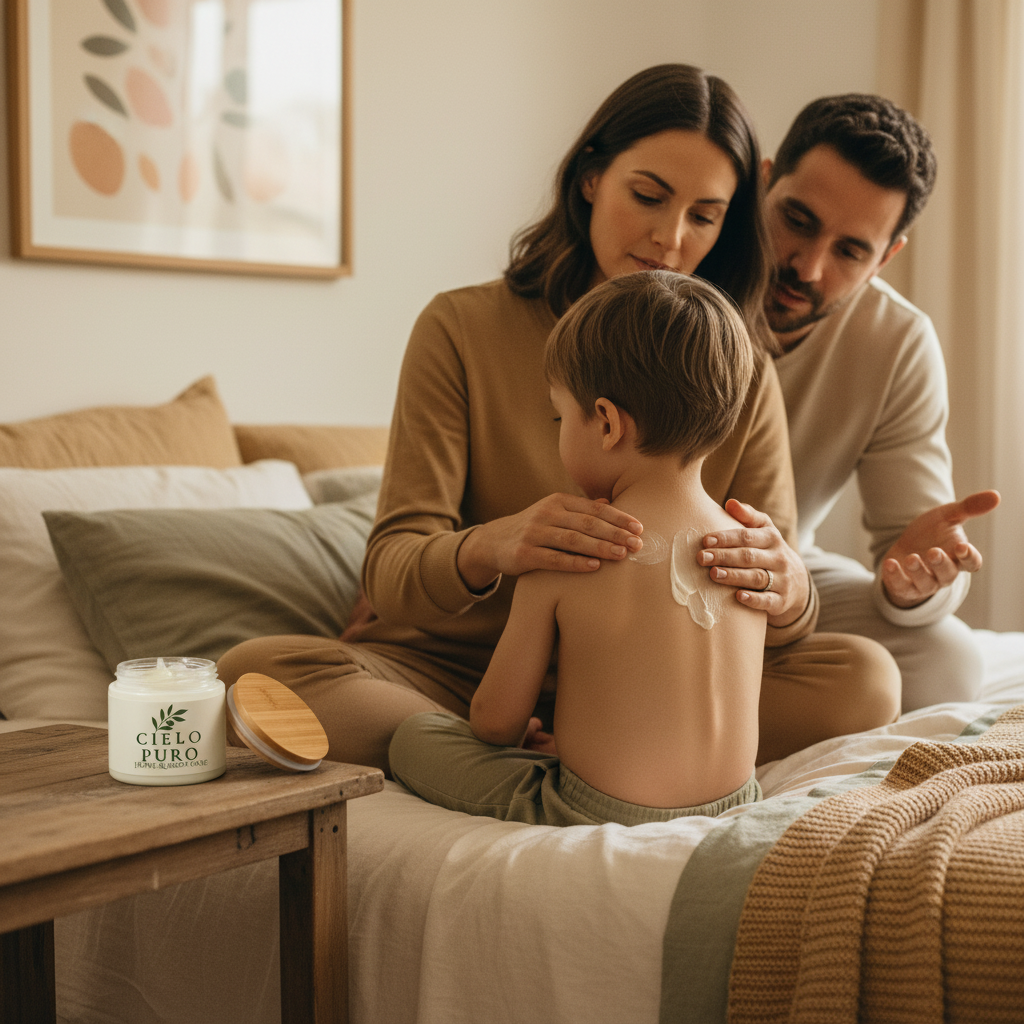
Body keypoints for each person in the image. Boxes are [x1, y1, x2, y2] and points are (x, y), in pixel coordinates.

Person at [218, 65, 900, 775]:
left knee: (866, 677)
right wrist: (498, 545)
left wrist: (787, 593)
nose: (671, 237)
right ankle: (537, 752)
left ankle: (502, 760)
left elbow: (778, 613)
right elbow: (391, 573)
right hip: (454, 676)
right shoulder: (460, 326)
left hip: (644, 683)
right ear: (590, 178)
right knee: (252, 673)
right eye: (648, 196)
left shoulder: (742, 365)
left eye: (704, 215)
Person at [388, 271, 765, 826]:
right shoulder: (746, 555)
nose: (560, 430)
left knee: (414, 738)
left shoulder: (567, 554)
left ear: (607, 423)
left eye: (560, 416)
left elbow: (494, 723)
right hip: (736, 802)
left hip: (599, 809)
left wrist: (526, 738)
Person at [695, 94, 999, 710]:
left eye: (850, 250)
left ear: (886, 257)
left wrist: (914, 583)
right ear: (765, 183)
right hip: (630, 555)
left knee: (950, 663)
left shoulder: (898, 342)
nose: (807, 267)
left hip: (784, 574)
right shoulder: (685, 267)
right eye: (798, 221)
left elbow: (908, 548)